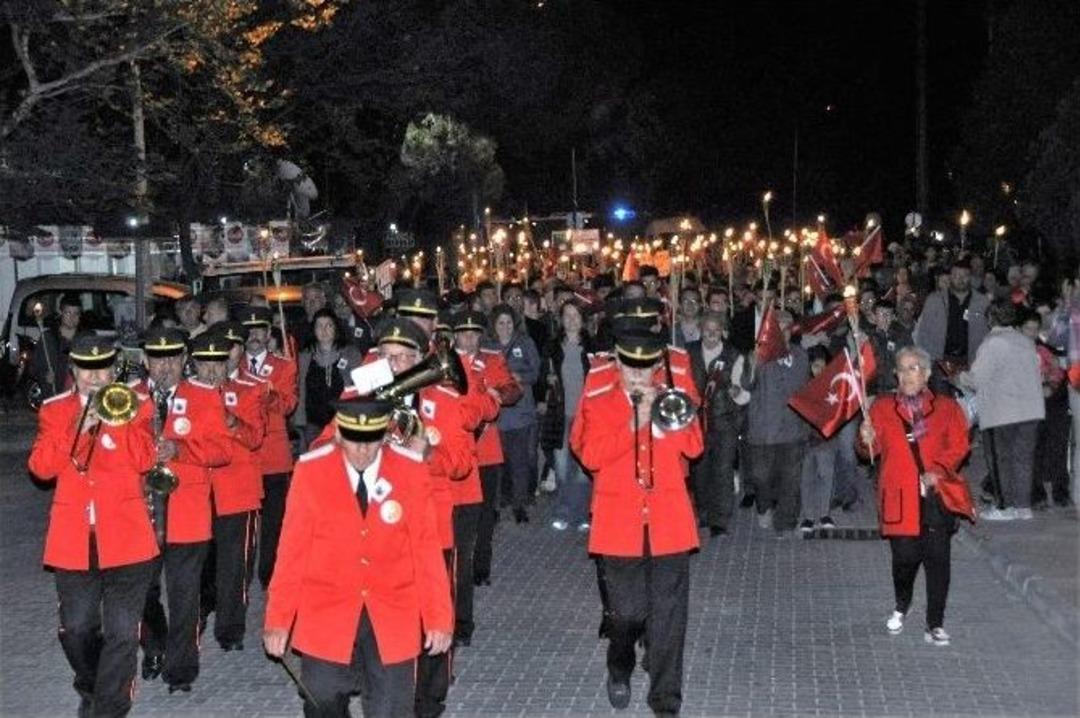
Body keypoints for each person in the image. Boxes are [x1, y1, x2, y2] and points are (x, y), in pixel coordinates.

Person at [263, 398, 454, 718]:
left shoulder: (409, 470)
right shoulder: (311, 472)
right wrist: (277, 620)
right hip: (327, 609)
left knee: (392, 708)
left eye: (371, 442)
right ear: (338, 435)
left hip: (393, 609)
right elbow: (292, 552)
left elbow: (426, 549)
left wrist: (438, 617)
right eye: (354, 442)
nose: (363, 451)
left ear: (383, 437)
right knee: (322, 699)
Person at [570, 329, 704, 716]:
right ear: (617, 361)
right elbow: (591, 455)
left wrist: (665, 415)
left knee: (668, 620)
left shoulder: (672, 396)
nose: (638, 377)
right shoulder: (601, 399)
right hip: (618, 525)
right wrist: (633, 424)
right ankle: (619, 665)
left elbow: (694, 448)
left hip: (670, 524)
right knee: (626, 614)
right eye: (630, 368)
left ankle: (665, 701)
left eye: (645, 369)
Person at [28, 334, 159, 718]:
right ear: (74, 371)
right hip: (74, 540)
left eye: (102, 368)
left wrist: (116, 421)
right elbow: (41, 468)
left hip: (128, 539)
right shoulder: (54, 411)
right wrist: (80, 428)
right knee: (77, 628)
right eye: (87, 369)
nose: (95, 377)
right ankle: (91, 685)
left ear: (114, 369)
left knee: (121, 632)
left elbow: (144, 460)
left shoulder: (139, 405)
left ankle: (109, 708)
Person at [133, 326, 232, 692]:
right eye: (157, 358)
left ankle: (181, 670)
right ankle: (155, 644)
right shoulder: (128, 398)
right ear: (146, 361)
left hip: (187, 514)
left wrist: (181, 450)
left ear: (183, 360)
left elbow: (223, 452)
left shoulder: (204, 397)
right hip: (140, 513)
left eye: (173, 358)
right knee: (140, 593)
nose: (165, 366)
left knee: (184, 596)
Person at [858, 346, 975, 647]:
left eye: (914, 368)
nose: (908, 375)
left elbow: (959, 445)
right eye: (902, 369)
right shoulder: (883, 408)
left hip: (935, 495)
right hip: (899, 495)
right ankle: (902, 602)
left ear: (925, 374)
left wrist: (938, 469)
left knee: (938, 559)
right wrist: (865, 438)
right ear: (895, 375)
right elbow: (870, 453)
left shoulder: (947, 408)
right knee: (905, 559)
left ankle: (935, 623)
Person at [192, 326, 266, 652]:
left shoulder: (249, 390)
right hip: (195, 492)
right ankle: (201, 613)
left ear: (227, 365)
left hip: (237, 491)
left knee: (235, 565)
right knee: (199, 563)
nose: (211, 371)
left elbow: (255, 438)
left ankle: (230, 630)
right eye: (204, 364)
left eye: (217, 364)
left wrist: (230, 419)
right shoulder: (186, 394)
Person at [962, 301, 1044, 520]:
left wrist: (958, 377)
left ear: (991, 319)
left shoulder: (992, 343)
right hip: (1031, 409)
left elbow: (976, 379)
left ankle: (1005, 506)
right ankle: (1023, 506)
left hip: (1002, 412)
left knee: (1001, 461)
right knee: (1024, 459)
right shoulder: (1025, 341)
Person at [239, 306, 299, 588]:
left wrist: (267, 390)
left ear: (268, 333)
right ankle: (242, 573)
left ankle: (269, 574)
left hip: (274, 455)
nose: (254, 335)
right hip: (243, 456)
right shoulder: (233, 367)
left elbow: (288, 405)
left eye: (259, 329)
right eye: (248, 330)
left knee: (274, 522)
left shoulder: (284, 366)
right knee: (244, 522)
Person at [738, 310, 809, 534]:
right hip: (763, 429)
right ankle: (764, 506)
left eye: (788, 327)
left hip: (792, 428)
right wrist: (752, 363)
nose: (783, 331)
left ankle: (786, 521)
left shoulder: (800, 355)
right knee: (760, 476)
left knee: (791, 478)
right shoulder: (758, 354)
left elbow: (806, 389)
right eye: (779, 327)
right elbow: (746, 384)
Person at [686, 311, 746, 536]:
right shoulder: (688, 352)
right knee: (699, 471)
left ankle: (720, 520)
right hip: (696, 423)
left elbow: (743, 392)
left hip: (725, 422)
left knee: (722, 470)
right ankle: (703, 512)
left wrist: (736, 391)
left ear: (723, 331)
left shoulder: (733, 355)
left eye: (716, 329)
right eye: (707, 329)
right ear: (701, 329)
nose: (711, 334)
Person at [485, 304, 539, 523]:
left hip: (520, 413)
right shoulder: (487, 346)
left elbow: (536, 372)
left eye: (508, 323)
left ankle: (520, 504)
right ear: (494, 325)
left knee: (520, 462)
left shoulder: (525, 343)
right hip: (496, 414)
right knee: (497, 464)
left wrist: (519, 376)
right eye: (501, 323)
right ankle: (496, 505)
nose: (505, 327)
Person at [544, 300, 594, 531]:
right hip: (561, 413)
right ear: (561, 319)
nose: (572, 320)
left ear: (583, 319)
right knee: (563, 466)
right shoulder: (553, 347)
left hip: (587, 415)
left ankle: (583, 514)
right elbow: (542, 375)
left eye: (576, 316)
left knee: (584, 469)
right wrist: (548, 381)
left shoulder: (593, 346)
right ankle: (563, 512)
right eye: (567, 316)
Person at [295, 308, 362, 448]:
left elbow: (360, 388)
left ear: (336, 328)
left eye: (328, 325)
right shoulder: (304, 356)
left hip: (343, 421)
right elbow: (299, 390)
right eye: (319, 326)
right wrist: (299, 423)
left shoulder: (351, 354)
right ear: (313, 329)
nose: (323, 330)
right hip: (313, 424)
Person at [913, 258, 991, 373]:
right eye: (956, 275)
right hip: (939, 361)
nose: (960, 279)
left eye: (964, 275)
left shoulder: (982, 302)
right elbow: (923, 332)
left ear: (970, 277)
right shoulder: (934, 300)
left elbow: (988, 332)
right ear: (950, 277)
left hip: (972, 362)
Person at [798, 347, 840, 531]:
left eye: (823, 366)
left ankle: (824, 513)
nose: (819, 371)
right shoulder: (802, 385)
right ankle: (808, 516)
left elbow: (838, 413)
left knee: (826, 475)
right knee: (806, 477)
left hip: (826, 439)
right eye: (815, 366)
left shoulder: (834, 387)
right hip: (805, 439)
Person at [29, 292, 82, 397]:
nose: (72, 318)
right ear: (61, 312)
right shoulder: (48, 339)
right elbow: (34, 368)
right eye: (68, 313)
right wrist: (45, 376)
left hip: (77, 398)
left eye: (76, 313)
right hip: (54, 396)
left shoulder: (84, 339)